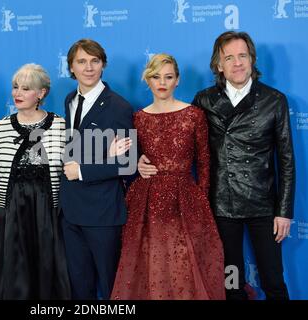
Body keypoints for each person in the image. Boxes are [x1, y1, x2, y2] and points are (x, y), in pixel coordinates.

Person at [140, 31, 296, 300]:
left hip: (263, 206)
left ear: (252, 60)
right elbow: (184, 146)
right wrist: (143, 160)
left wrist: (284, 211)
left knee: (273, 279)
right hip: (221, 207)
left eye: (243, 56)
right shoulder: (205, 100)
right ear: (218, 65)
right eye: (229, 58)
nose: (237, 63)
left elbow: (286, 160)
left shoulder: (274, 100)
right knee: (230, 280)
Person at [111, 54, 225, 300]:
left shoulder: (194, 115)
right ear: (147, 81)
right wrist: (136, 164)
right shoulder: (138, 118)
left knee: (183, 266)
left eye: (168, 76)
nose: (162, 82)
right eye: (155, 76)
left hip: (185, 200)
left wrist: (201, 201)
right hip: (145, 201)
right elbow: (129, 158)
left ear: (177, 80)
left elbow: (205, 162)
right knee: (149, 265)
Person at [0, 63, 71, 299]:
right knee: (8, 281)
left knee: (46, 281)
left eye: (26, 88)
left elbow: (71, 171)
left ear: (41, 93)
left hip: (48, 219)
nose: (17, 93)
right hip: (6, 218)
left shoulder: (62, 126)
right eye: (15, 87)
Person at [59, 39, 134, 300]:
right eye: (81, 61)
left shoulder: (119, 106)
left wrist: (82, 170)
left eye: (94, 61)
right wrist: (103, 154)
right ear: (71, 67)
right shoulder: (69, 100)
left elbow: (128, 163)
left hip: (103, 214)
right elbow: (75, 148)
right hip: (71, 212)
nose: (88, 67)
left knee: (111, 285)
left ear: (103, 65)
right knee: (80, 287)